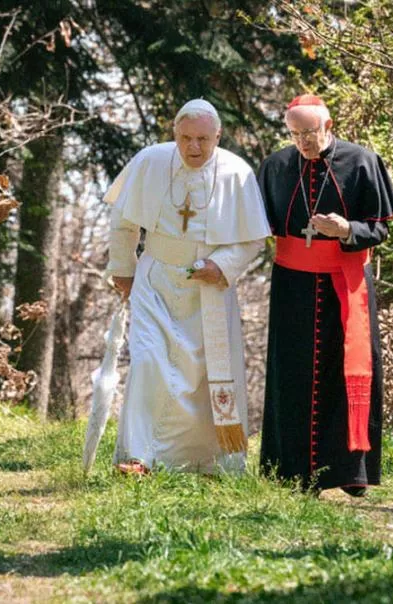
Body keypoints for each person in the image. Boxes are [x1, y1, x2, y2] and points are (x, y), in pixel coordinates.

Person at [103, 99, 270, 475]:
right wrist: (123, 270)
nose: (193, 147)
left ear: (218, 136)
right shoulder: (150, 161)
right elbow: (123, 221)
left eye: (203, 139)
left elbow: (252, 239)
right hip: (155, 280)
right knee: (147, 362)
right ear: (174, 134)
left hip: (209, 289)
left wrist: (221, 266)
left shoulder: (236, 173)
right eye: (185, 138)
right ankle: (140, 456)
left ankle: (205, 462)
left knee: (201, 378)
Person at [257, 95, 393, 496]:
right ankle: (293, 473)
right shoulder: (276, 166)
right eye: (295, 134)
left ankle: (350, 472)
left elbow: (380, 229)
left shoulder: (362, 161)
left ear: (328, 126)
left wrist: (347, 230)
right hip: (292, 286)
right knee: (292, 374)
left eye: (310, 132)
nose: (303, 141)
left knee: (349, 371)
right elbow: (255, 223)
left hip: (346, 281)